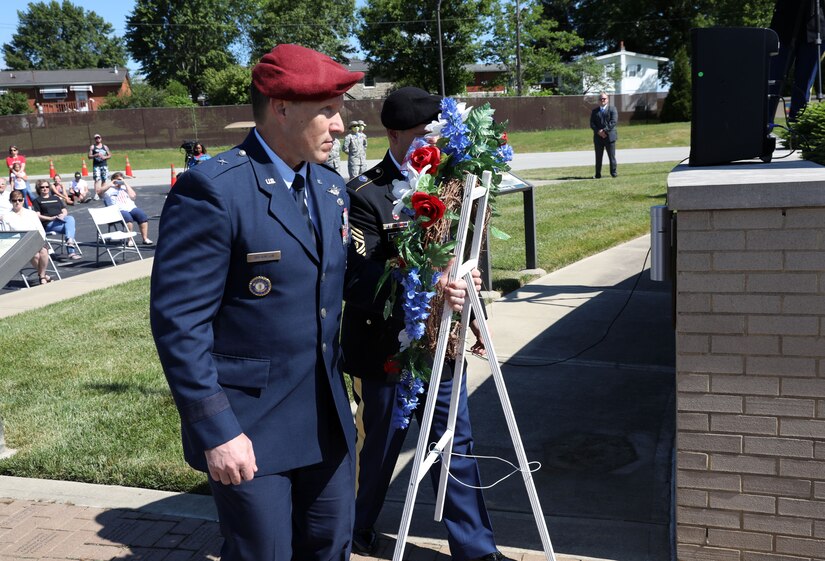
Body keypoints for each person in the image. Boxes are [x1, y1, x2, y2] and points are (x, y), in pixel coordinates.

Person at [150, 44, 365, 561]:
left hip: (325, 420)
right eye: (329, 111)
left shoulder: (330, 188)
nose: (340, 127)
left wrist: (428, 287)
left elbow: (338, 284)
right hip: (251, 425)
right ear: (282, 107)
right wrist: (217, 431)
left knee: (331, 547)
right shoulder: (214, 190)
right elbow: (180, 326)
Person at [342, 86, 513, 561]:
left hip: (443, 343)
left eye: (434, 135)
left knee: (453, 444)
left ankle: (476, 548)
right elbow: (357, 277)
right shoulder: (365, 194)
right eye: (420, 135)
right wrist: (426, 280)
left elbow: (463, 250)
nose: (429, 146)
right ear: (393, 134)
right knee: (379, 448)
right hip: (385, 349)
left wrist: (467, 278)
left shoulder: (450, 183)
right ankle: (355, 528)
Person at [768, 0, 825, 122]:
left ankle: (797, 130)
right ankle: (763, 127)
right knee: (773, 80)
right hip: (784, 24)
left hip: (816, 27)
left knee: (804, 83)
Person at [1, 190, 52, 284]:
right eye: (14, 200)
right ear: (10, 201)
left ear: (23, 200)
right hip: (20, 244)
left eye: (19, 200)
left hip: (36, 239)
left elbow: (40, 229)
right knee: (35, 255)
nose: (17, 202)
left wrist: (39, 239)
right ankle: (43, 276)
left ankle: (42, 276)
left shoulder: (31, 213)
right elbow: (7, 234)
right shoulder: (7, 217)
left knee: (44, 251)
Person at [31, 179, 81, 260]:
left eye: (47, 186)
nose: (45, 188)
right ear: (38, 189)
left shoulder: (56, 198)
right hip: (49, 223)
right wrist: (50, 218)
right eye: (42, 187)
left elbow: (64, 210)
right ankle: (71, 252)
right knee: (71, 228)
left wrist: (62, 215)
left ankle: (69, 241)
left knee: (70, 218)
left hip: (60, 220)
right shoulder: (37, 201)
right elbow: (37, 215)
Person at [99, 172, 153, 245]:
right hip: (117, 210)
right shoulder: (108, 190)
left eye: (121, 179)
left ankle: (145, 238)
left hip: (131, 208)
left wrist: (125, 183)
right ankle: (130, 240)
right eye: (118, 179)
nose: (119, 181)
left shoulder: (124, 188)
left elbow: (133, 196)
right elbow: (99, 192)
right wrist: (111, 183)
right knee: (128, 218)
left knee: (142, 216)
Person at [590, 92, 618, 179]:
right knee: (598, 157)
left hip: (609, 137)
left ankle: (613, 173)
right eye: (601, 99)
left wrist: (604, 131)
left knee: (611, 156)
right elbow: (592, 123)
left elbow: (613, 122)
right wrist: (598, 131)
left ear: (607, 100)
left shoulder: (612, 109)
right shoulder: (594, 111)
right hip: (598, 138)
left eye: (604, 99)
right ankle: (598, 174)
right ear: (598, 101)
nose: (602, 100)